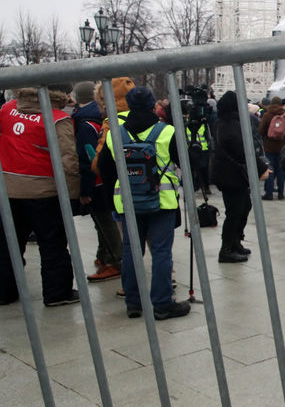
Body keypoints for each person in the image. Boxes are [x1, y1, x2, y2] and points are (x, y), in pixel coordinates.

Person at [97, 87, 190, 320]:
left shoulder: (114, 134)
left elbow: (106, 171)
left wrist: (112, 201)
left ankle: (134, 303)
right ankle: (161, 304)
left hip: (128, 202)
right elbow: (186, 164)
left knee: (131, 252)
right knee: (160, 252)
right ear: (152, 106)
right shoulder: (168, 132)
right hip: (162, 201)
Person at [0, 85, 80, 306]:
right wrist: (72, 196)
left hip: (7, 189)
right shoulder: (58, 119)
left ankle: (4, 290)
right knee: (52, 243)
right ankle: (57, 293)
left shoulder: (6, 109)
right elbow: (68, 162)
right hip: (44, 192)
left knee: (7, 243)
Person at [211, 91, 271, 263]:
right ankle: (226, 249)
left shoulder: (228, 122)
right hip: (231, 175)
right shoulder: (230, 124)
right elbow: (242, 151)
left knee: (244, 206)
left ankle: (235, 242)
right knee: (235, 211)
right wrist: (261, 168)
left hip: (233, 173)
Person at [72, 81, 122, 282]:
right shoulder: (97, 118)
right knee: (103, 220)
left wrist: (85, 189)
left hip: (97, 180)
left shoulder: (85, 124)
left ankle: (115, 260)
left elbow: (87, 158)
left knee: (105, 221)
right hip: (105, 177)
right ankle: (105, 255)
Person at [258, 97, 285, 200]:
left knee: (270, 170)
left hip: (269, 147)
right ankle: (281, 193)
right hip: (282, 147)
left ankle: (269, 193)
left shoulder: (267, 115)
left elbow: (261, 130)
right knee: (281, 170)